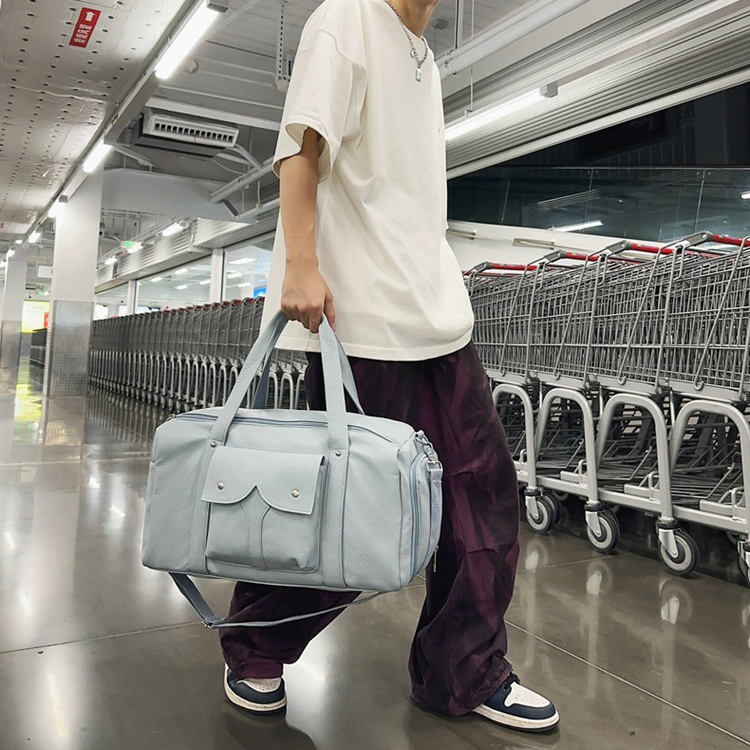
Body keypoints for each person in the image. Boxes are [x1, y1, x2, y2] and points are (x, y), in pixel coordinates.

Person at [220, 0, 559, 733]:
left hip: (435, 315)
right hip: (361, 320)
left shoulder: (423, 55)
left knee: (484, 497)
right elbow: (301, 144)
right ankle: (254, 646)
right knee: (349, 514)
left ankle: (460, 671)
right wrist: (301, 264)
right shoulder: (346, 18)